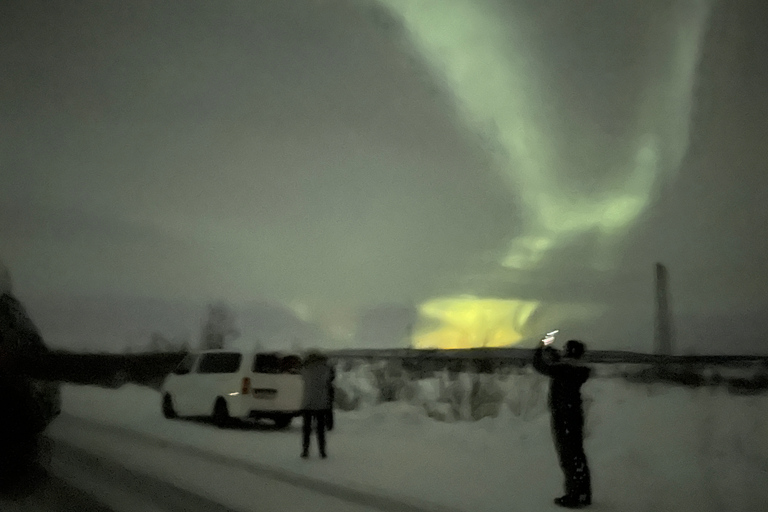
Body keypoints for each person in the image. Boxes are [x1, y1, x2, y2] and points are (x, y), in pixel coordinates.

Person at [533, 338, 592, 509]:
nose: (563, 351)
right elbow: (558, 365)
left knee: (568, 458)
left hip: (564, 417)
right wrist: (553, 354)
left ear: (570, 353)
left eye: (566, 350)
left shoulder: (565, 369)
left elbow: (541, 366)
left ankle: (574, 496)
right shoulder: (575, 369)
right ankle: (583, 494)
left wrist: (541, 347)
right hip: (573, 415)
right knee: (577, 456)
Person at [300, 350, 333, 458]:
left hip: (307, 402)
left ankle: (305, 450)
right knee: (320, 429)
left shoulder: (305, 368)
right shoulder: (327, 368)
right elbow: (330, 380)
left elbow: (303, 378)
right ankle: (322, 451)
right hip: (321, 403)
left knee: (306, 429)